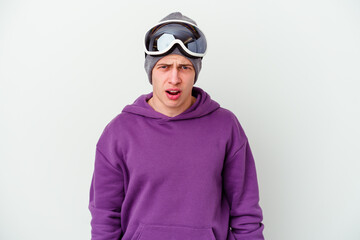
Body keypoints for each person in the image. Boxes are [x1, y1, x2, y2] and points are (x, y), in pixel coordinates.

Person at [89, 12, 265, 240]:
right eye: (164, 67)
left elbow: (246, 213)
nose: (174, 78)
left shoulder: (226, 126)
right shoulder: (119, 133)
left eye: (184, 67)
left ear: (195, 73)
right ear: (151, 71)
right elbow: (105, 217)